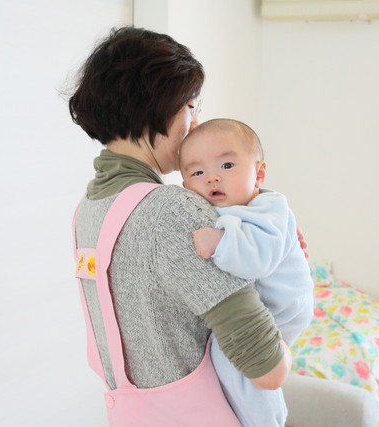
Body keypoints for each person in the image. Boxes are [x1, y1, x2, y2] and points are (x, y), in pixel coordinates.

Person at [68, 26, 291, 426]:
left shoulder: (91, 207)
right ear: (158, 105)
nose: (195, 121)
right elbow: (267, 369)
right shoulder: (172, 211)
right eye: (190, 105)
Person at [179, 118, 314, 427]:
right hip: (268, 303)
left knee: (239, 363)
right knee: (224, 361)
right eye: (197, 173)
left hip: (282, 308)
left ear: (259, 173)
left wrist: (220, 242)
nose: (212, 177)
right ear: (186, 187)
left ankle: (266, 420)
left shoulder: (269, 208)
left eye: (227, 166)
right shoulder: (221, 207)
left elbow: (257, 260)